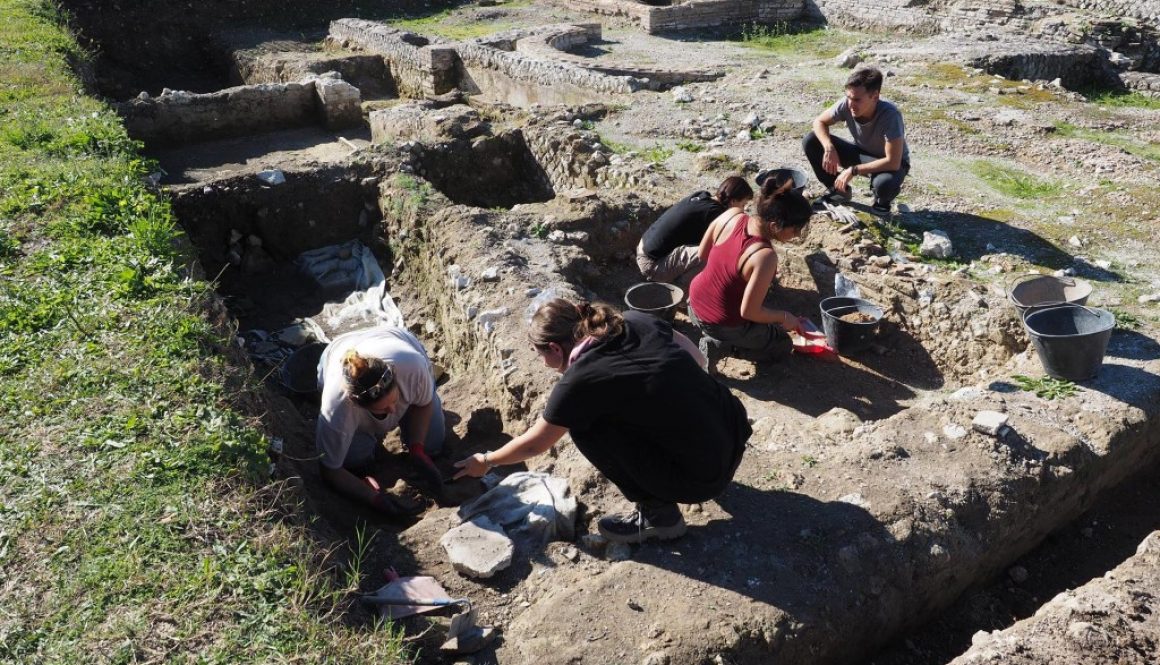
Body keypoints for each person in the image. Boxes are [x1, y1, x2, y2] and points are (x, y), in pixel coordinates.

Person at [453, 299, 751, 545]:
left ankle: (659, 517)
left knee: (585, 426)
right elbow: (697, 359)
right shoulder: (635, 319)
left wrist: (487, 460)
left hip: (703, 479)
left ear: (555, 349)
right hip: (733, 433)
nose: (542, 363)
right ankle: (698, 458)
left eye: (540, 354)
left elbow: (535, 444)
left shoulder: (580, 380)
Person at [315, 326, 445, 516]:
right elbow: (330, 470)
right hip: (334, 354)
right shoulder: (337, 410)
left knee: (433, 445)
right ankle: (368, 434)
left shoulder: (412, 366)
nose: (393, 410)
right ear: (357, 404)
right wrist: (373, 498)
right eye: (383, 408)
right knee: (355, 464)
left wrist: (417, 448)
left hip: (388, 337)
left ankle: (407, 421)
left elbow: (424, 404)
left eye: (395, 401)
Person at [687, 176, 811, 373]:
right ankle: (721, 347)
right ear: (774, 225)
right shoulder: (764, 256)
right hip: (720, 323)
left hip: (693, 303)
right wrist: (786, 317)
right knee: (781, 344)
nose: (796, 234)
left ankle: (713, 333)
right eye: (795, 229)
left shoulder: (733, 214)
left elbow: (703, 253)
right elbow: (749, 312)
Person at [802, 66, 910, 214]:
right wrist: (829, 147)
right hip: (862, 154)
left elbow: (893, 161)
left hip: (891, 164)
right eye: (848, 97)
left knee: (884, 184)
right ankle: (839, 191)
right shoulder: (847, 104)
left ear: (875, 97)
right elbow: (818, 122)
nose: (851, 104)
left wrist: (853, 171)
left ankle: (882, 201)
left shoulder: (890, 115)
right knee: (811, 140)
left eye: (857, 100)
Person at [636, 176, 754, 285]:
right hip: (652, 265)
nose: (743, 210)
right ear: (733, 201)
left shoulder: (702, 196)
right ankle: (683, 296)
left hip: (643, 246)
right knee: (708, 254)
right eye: (743, 205)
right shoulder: (714, 214)